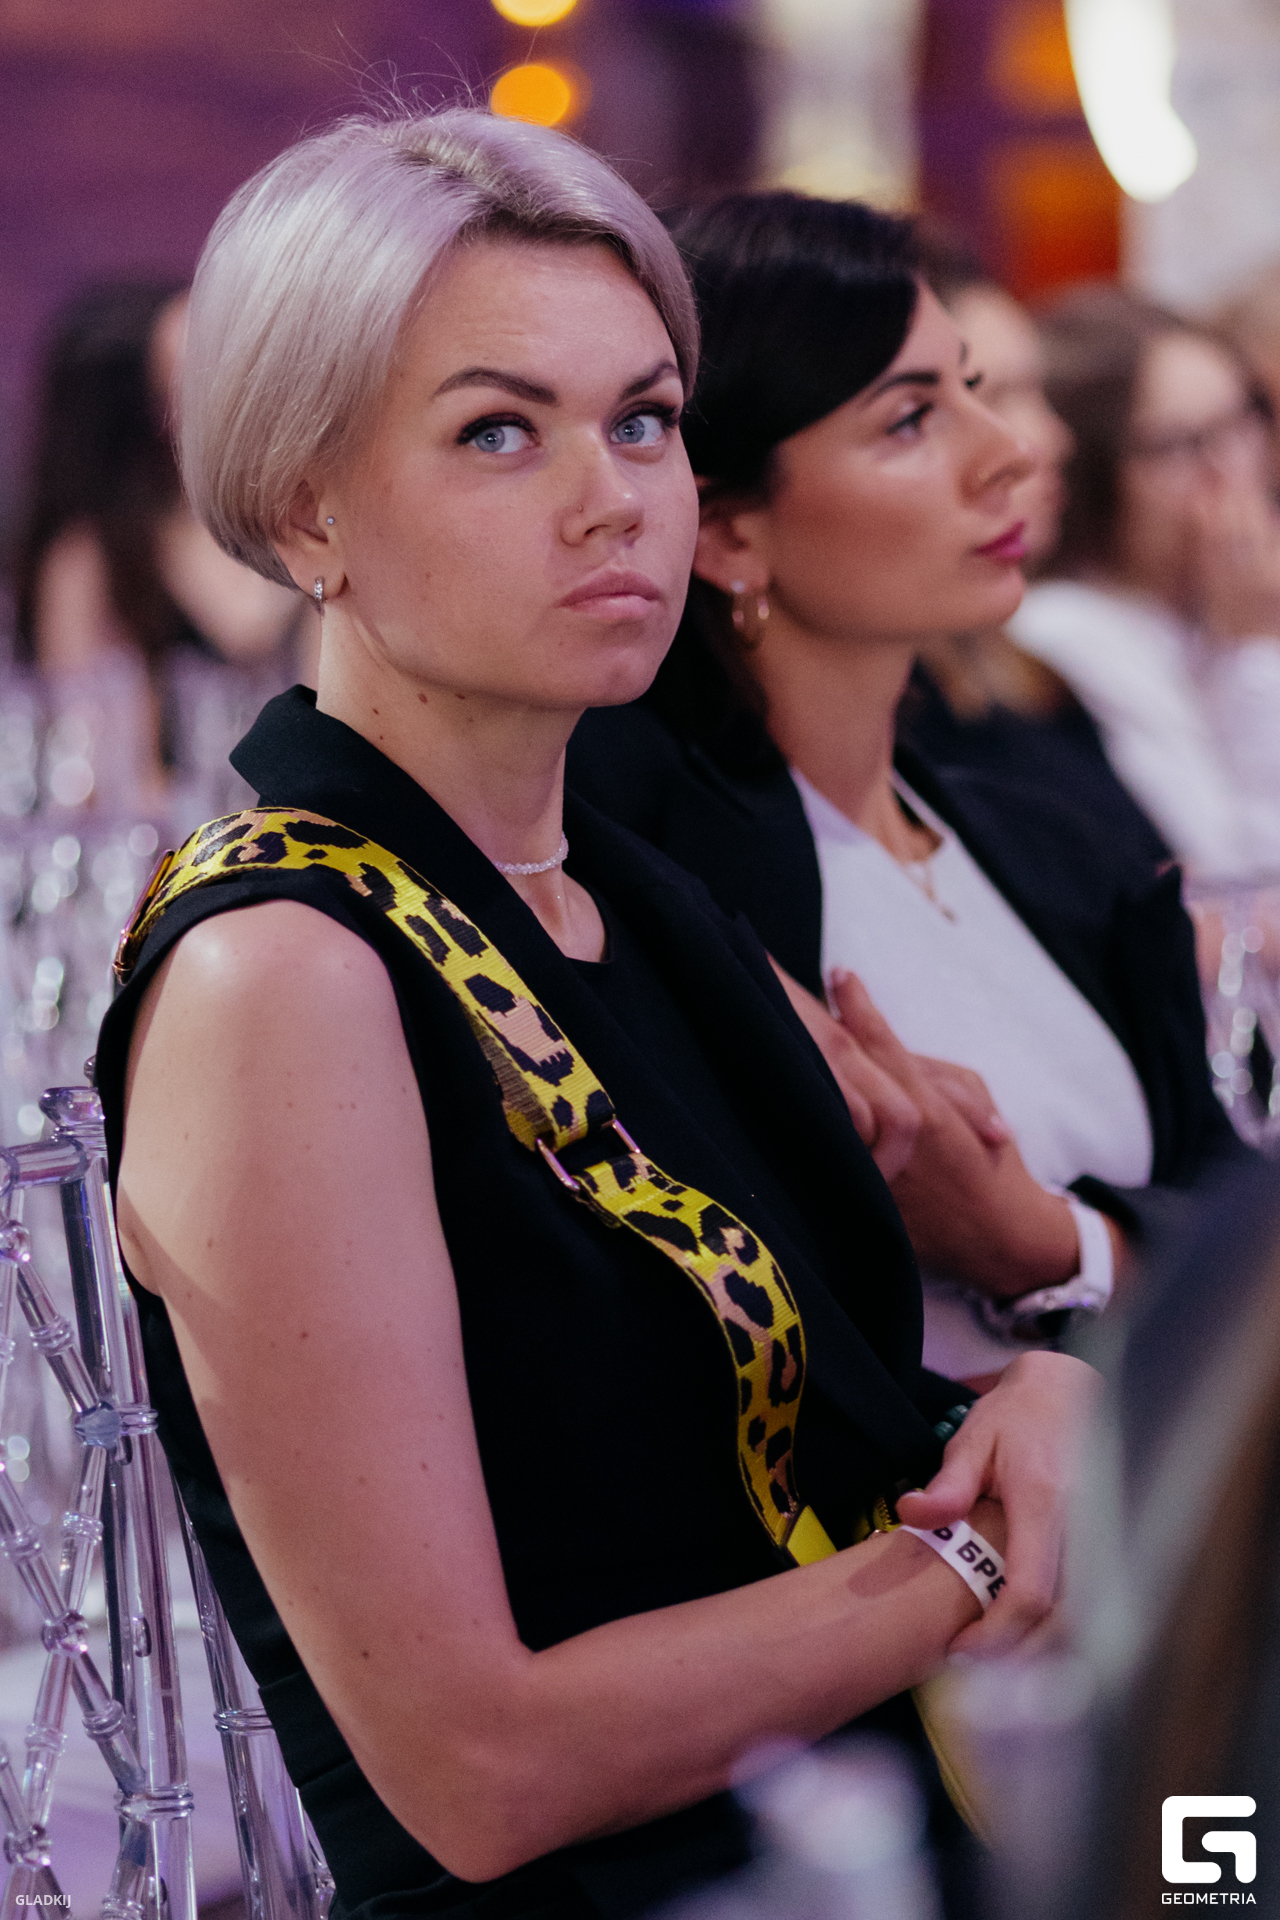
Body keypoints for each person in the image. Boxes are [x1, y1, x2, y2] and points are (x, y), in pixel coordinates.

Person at [94, 112, 1091, 1920]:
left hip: (870, 1833)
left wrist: (1029, 1396)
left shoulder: (620, 890)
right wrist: (976, 1555)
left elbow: (741, 1432)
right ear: (306, 509)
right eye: (500, 431)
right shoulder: (283, 971)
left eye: (642, 420)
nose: (613, 497)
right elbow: (479, 1768)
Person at [568, 192, 1243, 1386]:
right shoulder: (658, 890)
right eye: (911, 419)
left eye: (973, 388)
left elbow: (1232, 1231)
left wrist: (1044, 1243)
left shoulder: (1044, 842)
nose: (1008, 455)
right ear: (726, 533)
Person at [900, 233, 1170, 872]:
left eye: (1037, 392)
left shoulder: (1024, 674)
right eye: (997, 396)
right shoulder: (910, 723)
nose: (1046, 441)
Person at [11, 280, 315, 817]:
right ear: (149, 411)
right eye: (202, 374)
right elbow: (96, 771)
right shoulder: (94, 560)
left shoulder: (304, 527)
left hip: (304, 832)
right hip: (166, 849)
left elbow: (339, 725)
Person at [1011, 283, 1280, 880]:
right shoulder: (1067, 632)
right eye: (1181, 445)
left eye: (1242, 421)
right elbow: (1232, 879)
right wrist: (1253, 652)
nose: (1230, 470)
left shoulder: (1214, 601)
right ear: (1094, 472)